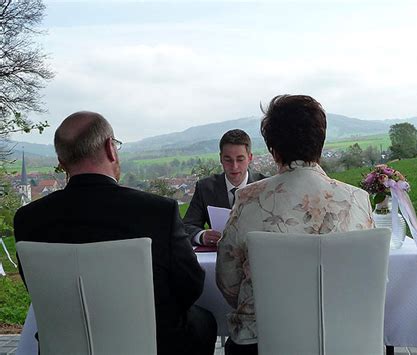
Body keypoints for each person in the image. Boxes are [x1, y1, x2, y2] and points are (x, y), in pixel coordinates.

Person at [14, 111, 217, 355]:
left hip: (66, 344)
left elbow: (40, 290)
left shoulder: (28, 220)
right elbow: (190, 285)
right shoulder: (158, 212)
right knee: (203, 321)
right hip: (152, 344)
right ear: (111, 148)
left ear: (62, 161)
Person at [216, 95, 374, 354]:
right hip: (341, 340)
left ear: (273, 149)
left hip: (261, 342)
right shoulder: (358, 200)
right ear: (320, 143)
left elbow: (228, 282)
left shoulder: (248, 199)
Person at [183, 129, 265, 246]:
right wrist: (201, 236)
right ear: (220, 158)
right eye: (228, 160)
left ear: (250, 158)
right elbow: (186, 226)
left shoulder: (265, 186)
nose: (234, 166)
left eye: (240, 159)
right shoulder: (205, 188)